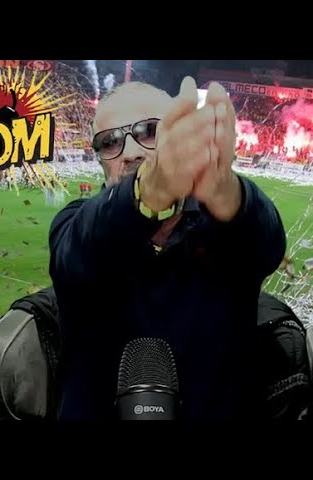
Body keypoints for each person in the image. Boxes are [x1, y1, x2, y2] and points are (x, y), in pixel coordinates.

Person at [48, 78, 287, 420]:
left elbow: (266, 240)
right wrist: (145, 196)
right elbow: (80, 250)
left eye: (149, 131)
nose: (130, 152)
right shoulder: (74, 226)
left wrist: (229, 194)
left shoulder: (226, 231)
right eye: (110, 141)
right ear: (99, 159)